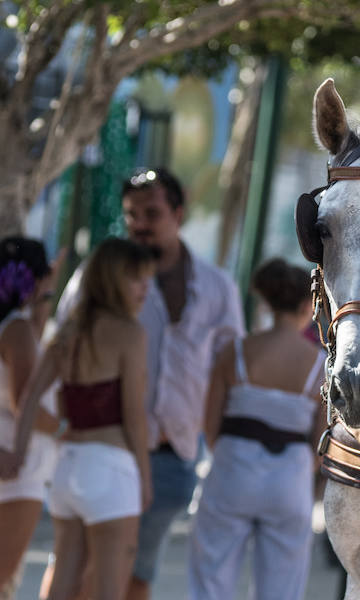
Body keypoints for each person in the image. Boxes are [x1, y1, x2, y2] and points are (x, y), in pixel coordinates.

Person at [55, 167, 245, 600]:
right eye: (131, 214)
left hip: (176, 454)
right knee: (82, 570)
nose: (139, 223)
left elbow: (229, 369)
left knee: (138, 573)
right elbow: (62, 343)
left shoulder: (217, 288)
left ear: (178, 213)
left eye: (151, 213)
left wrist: (220, 445)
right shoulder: (97, 279)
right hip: (107, 447)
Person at [2, 237, 155, 600]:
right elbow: (133, 415)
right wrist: (146, 477)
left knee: (63, 581)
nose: (145, 289)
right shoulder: (129, 333)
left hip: (67, 470)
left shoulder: (69, 330)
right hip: (113, 468)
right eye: (136, 279)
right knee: (107, 587)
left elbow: (27, 399)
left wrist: (19, 452)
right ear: (113, 280)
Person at [189, 258, 326, 600]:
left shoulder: (236, 351)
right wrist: (300, 465)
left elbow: (210, 421)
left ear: (267, 301)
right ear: (308, 305)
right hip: (290, 475)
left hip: (233, 465)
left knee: (211, 576)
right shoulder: (319, 365)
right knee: (282, 586)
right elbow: (321, 441)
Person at [0, 237, 58, 600]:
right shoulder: (16, 330)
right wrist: (70, 427)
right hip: (16, 469)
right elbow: (26, 404)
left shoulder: (16, 327)